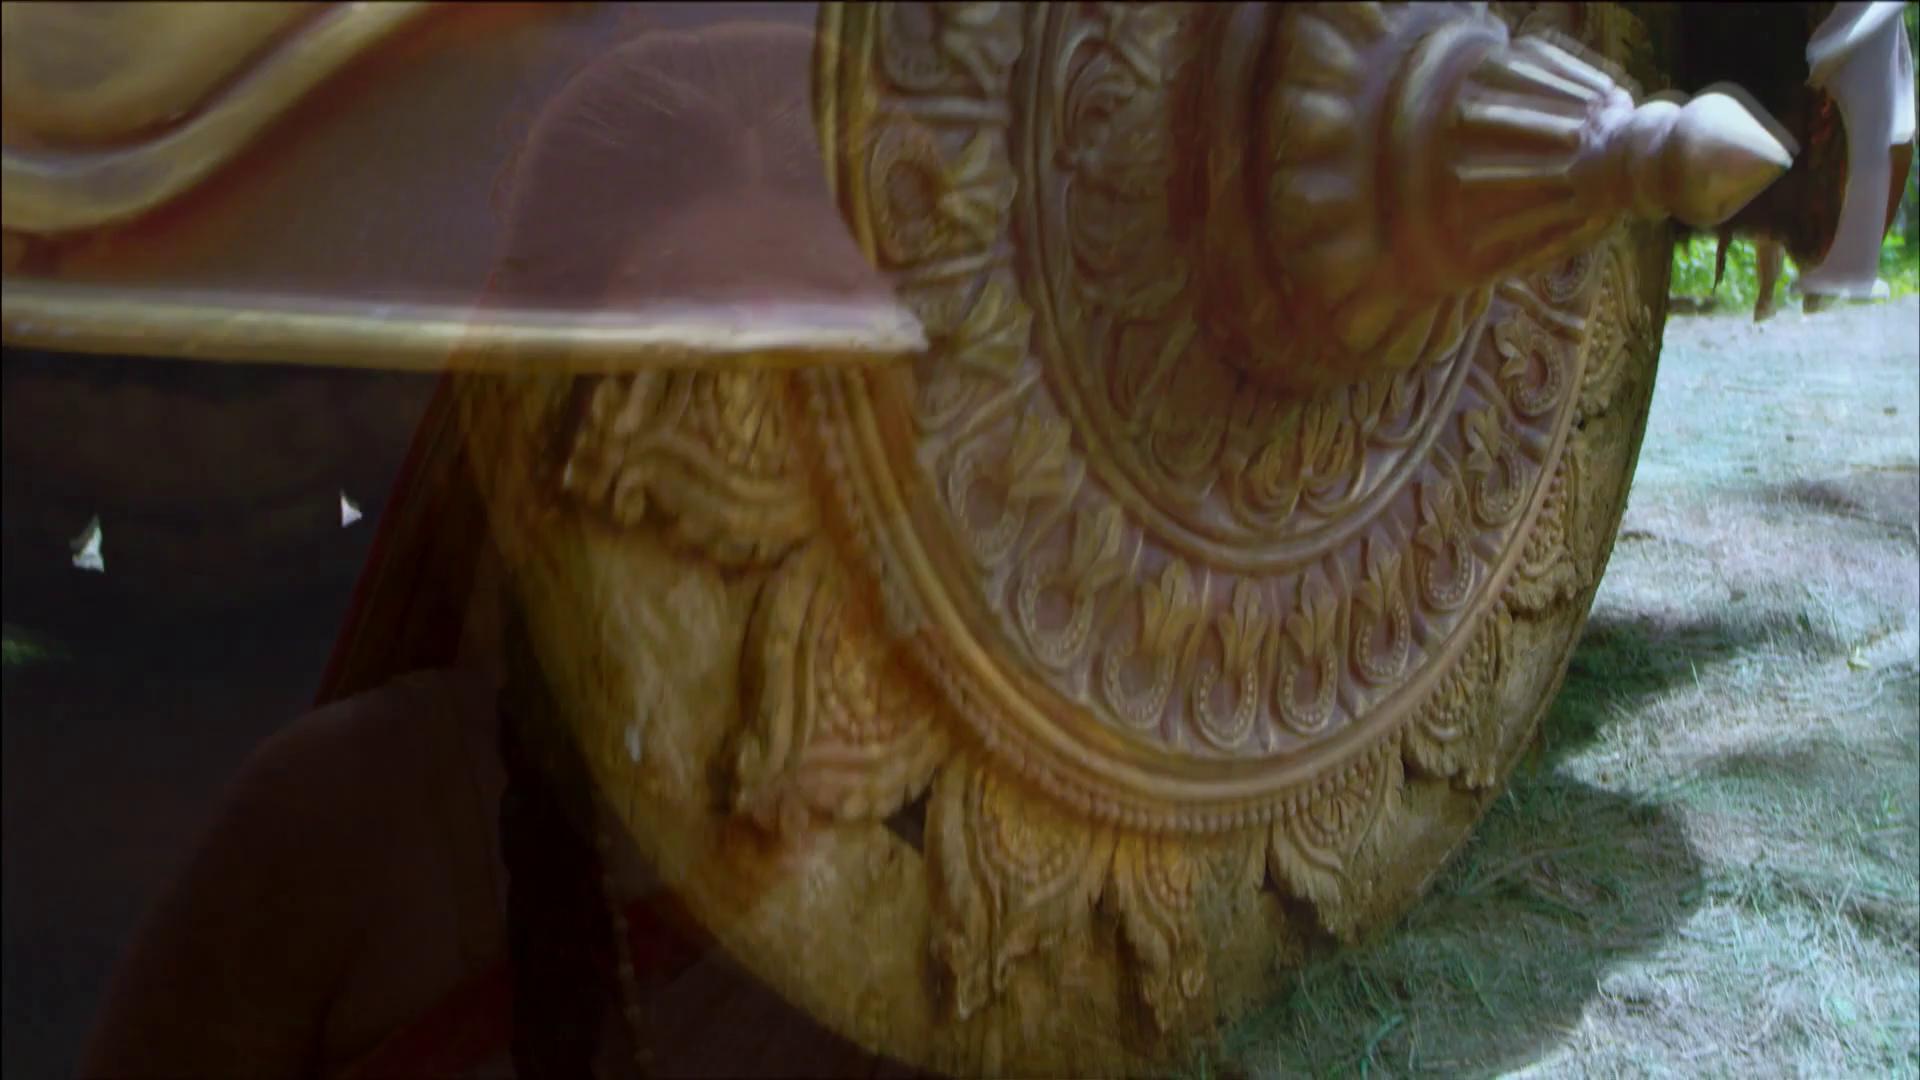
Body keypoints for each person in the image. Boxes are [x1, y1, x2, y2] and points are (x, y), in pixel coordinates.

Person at [80, 19, 916, 1078]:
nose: (752, 446)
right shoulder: (356, 825)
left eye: (825, 378)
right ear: (545, 439)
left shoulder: (1020, 884)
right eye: (679, 373)